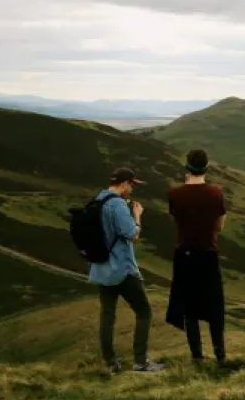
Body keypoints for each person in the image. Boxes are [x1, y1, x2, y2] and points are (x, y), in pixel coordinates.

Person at [89, 168, 166, 374]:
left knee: (107, 315)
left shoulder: (98, 201)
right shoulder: (117, 204)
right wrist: (137, 216)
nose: (132, 189)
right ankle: (140, 363)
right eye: (131, 185)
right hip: (122, 268)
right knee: (144, 312)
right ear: (123, 184)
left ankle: (110, 363)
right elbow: (132, 234)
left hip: (102, 268)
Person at [165, 149, 229, 364]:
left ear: (187, 167)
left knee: (189, 308)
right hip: (208, 254)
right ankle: (220, 355)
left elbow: (177, 221)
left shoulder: (175, 194)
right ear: (206, 167)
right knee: (214, 305)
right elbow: (219, 226)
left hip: (184, 254)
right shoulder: (216, 193)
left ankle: (197, 357)